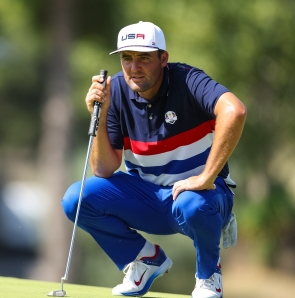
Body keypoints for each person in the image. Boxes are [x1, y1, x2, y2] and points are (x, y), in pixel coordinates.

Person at [61, 21, 245, 298]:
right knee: (76, 199)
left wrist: (207, 177)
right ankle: (146, 260)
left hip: (200, 196)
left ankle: (209, 277)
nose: (134, 67)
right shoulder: (116, 92)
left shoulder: (187, 80)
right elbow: (103, 168)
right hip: (148, 198)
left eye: (144, 58)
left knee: (192, 204)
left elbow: (235, 111)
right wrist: (99, 115)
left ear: (163, 58)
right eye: (127, 58)